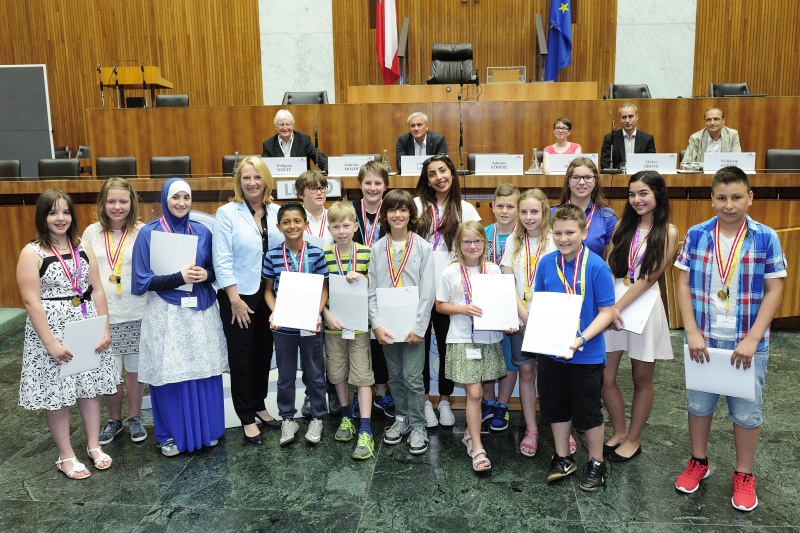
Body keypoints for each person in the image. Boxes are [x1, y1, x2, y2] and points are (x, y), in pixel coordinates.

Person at [674, 166, 785, 512]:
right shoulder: (697, 234)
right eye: (721, 197)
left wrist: (753, 338)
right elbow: (681, 283)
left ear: (750, 197)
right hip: (703, 340)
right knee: (698, 405)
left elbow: (774, 289)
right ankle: (698, 461)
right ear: (711, 199)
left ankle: (744, 473)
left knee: (747, 413)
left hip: (746, 344)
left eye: (737, 197)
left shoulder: (765, 237)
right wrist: (690, 331)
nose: (729, 204)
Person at [18, 189, 116, 479]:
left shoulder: (82, 245)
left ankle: (94, 446)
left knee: (89, 387)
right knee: (57, 396)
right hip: (52, 331)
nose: (60, 218)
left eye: (65, 212)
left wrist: (105, 327)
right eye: (52, 212)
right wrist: (50, 343)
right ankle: (66, 456)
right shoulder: (32, 252)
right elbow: (30, 301)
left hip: (85, 325)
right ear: (42, 217)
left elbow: (96, 288)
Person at [131, 178, 228, 457]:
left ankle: (208, 430)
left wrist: (205, 275)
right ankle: (168, 435)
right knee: (169, 372)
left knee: (205, 370)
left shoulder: (201, 231)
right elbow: (140, 281)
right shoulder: (149, 233)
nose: (181, 203)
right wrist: (179, 278)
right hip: (167, 312)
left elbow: (216, 269)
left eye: (186, 197)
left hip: (201, 310)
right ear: (165, 199)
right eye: (176, 197)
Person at [536, 204, 615, 491]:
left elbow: (607, 311)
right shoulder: (546, 264)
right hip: (551, 352)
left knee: (588, 411)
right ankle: (562, 457)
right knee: (556, 407)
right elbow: (542, 304)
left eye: (570, 232)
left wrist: (581, 338)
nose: (563, 238)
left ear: (583, 232)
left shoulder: (596, 266)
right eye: (557, 232)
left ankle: (596, 462)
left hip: (586, 353)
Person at [602, 171, 679, 462]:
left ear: (658, 193)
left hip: (643, 308)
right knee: (605, 376)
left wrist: (616, 307)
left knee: (641, 377)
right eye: (632, 194)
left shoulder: (668, 232)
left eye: (643, 193)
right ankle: (620, 431)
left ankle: (633, 439)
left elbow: (649, 277)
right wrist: (609, 305)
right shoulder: (622, 225)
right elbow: (611, 265)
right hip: (614, 305)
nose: (636, 200)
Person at [212, 156, 283, 446]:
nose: (252, 183)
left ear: (266, 180)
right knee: (241, 357)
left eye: (257, 177)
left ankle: (259, 403)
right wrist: (234, 299)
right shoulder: (227, 213)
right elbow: (222, 258)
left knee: (264, 354)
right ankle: (246, 415)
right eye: (246, 178)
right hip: (237, 295)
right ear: (239, 182)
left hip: (270, 294)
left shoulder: (277, 211)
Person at [436, 221, 515, 472]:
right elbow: (440, 305)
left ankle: (471, 433)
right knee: (475, 393)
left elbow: (503, 304)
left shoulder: (493, 271)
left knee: (482, 389)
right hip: (461, 339)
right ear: (459, 245)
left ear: (485, 243)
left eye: (477, 241)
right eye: (466, 241)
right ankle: (477, 447)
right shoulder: (451, 272)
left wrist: (508, 323)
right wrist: (462, 308)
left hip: (488, 338)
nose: (472, 246)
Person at [414, 154, 481, 427]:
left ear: (452, 174)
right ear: (426, 180)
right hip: (418, 289)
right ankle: (423, 401)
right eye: (432, 173)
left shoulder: (465, 209)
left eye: (443, 171)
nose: (439, 177)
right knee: (417, 349)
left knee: (446, 348)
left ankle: (443, 399)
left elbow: (476, 245)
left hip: (449, 293)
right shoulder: (417, 205)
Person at [368, 189, 435, 455]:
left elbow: (428, 292)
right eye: (393, 210)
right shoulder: (377, 248)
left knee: (412, 377)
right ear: (385, 214)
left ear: (411, 214)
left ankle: (418, 424)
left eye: (403, 210)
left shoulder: (422, 247)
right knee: (394, 375)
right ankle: (402, 418)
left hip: (412, 327)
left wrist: (419, 328)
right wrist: (376, 325)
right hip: (387, 326)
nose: (398, 215)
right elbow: (372, 290)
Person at [82, 178, 148, 445]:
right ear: (102, 203)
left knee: (134, 370)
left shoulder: (142, 232)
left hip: (136, 310)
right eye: (111, 201)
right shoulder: (89, 233)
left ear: (131, 203)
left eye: (123, 201)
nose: (117, 206)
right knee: (109, 371)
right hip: (103, 315)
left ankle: (134, 417)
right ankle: (114, 420)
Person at [262, 203, 330, 447]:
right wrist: (275, 312)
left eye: (297, 221)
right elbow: (268, 291)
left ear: (305, 224)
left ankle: (317, 417)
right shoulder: (272, 255)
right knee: (285, 374)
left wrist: (317, 312)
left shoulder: (316, 254)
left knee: (314, 373)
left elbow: (324, 287)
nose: (292, 226)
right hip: (284, 326)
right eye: (287, 222)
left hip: (311, 323)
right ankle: (288, 418)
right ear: (279, 226)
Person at [501, 188, 558, 457]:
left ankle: (562, 428)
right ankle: (531, 430)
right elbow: (507, 282)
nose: (528, 217)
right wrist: (523, 314)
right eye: (523, 211)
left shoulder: (555, 240)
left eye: (534, 211)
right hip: (521, 317)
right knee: (526, 372)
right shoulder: (513, 240)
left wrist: (544, 315)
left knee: (553, 374)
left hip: (550, 317)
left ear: (545, 212)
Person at [321, 202, 375, 460]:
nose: (341, 231)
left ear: (356, 226)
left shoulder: (367, 253)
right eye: (335, 226)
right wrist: (325, 314)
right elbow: (320, 291)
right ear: (329, 228)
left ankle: (365, 429)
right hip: (334, 327)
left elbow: (376, 288)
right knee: (338, 374)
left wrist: (363, 278)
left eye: (346, 225)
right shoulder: (324, 255)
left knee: (363, 376)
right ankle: (346, 418)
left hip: (360, 327)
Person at [350, 161, 394, 419]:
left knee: (380, 343)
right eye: (368, 183)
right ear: (360, 185)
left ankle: (381, 394)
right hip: (354, 285)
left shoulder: (392, 210)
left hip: (383, 285)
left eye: (378, 183)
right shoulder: (350, 210)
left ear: (386, 186)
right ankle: (359, 396)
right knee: (357, 342)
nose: (373, 188)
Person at [294, 169, 337, 416]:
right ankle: (312, 394)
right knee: (309, 349)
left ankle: (333, 391)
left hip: (332, 290)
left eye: (322, 187)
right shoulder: (295, 219)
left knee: (332, 348)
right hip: (305, 292)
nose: (319, 192)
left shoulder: (334, 217)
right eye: (313, 188)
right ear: (301, 194)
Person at [482, 183, 520, 432]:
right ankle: (487, 402)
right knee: (486, 355)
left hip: (514, 305)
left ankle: (503, 405)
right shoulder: (483, 232)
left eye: (510, 206)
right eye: (500, 206)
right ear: (492, 206)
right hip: (485, 304)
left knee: (509, 359)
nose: (504, 211)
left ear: (518, 209)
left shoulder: (524, 235)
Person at [552, 157, 618, 258]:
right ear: (568, 182)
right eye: (576, 177)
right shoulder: (552, 213)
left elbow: (611, 259)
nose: (582, 182)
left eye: (587, 177)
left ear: (595, 182)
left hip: (593, 273)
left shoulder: (607, 216)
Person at [262, 109, 328, 172]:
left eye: (288, 124)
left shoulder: (304, 140)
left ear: (292, 126)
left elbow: (319, 159)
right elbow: (263, 168)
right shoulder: (268, 145)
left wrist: (329, 170)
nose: (285, 128)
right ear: (276, 127)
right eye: (281, 125)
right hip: (278, 182)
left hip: (302, 181)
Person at [600, 103, 657, 171]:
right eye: (624, 117)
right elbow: (605, 165)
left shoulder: (647, 139)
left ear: (637, 117)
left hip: (640, 179)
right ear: (620, 119)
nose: (627, 121)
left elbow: (651, 165)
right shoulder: (610, 138)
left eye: (630, 116)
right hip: (617, 178)